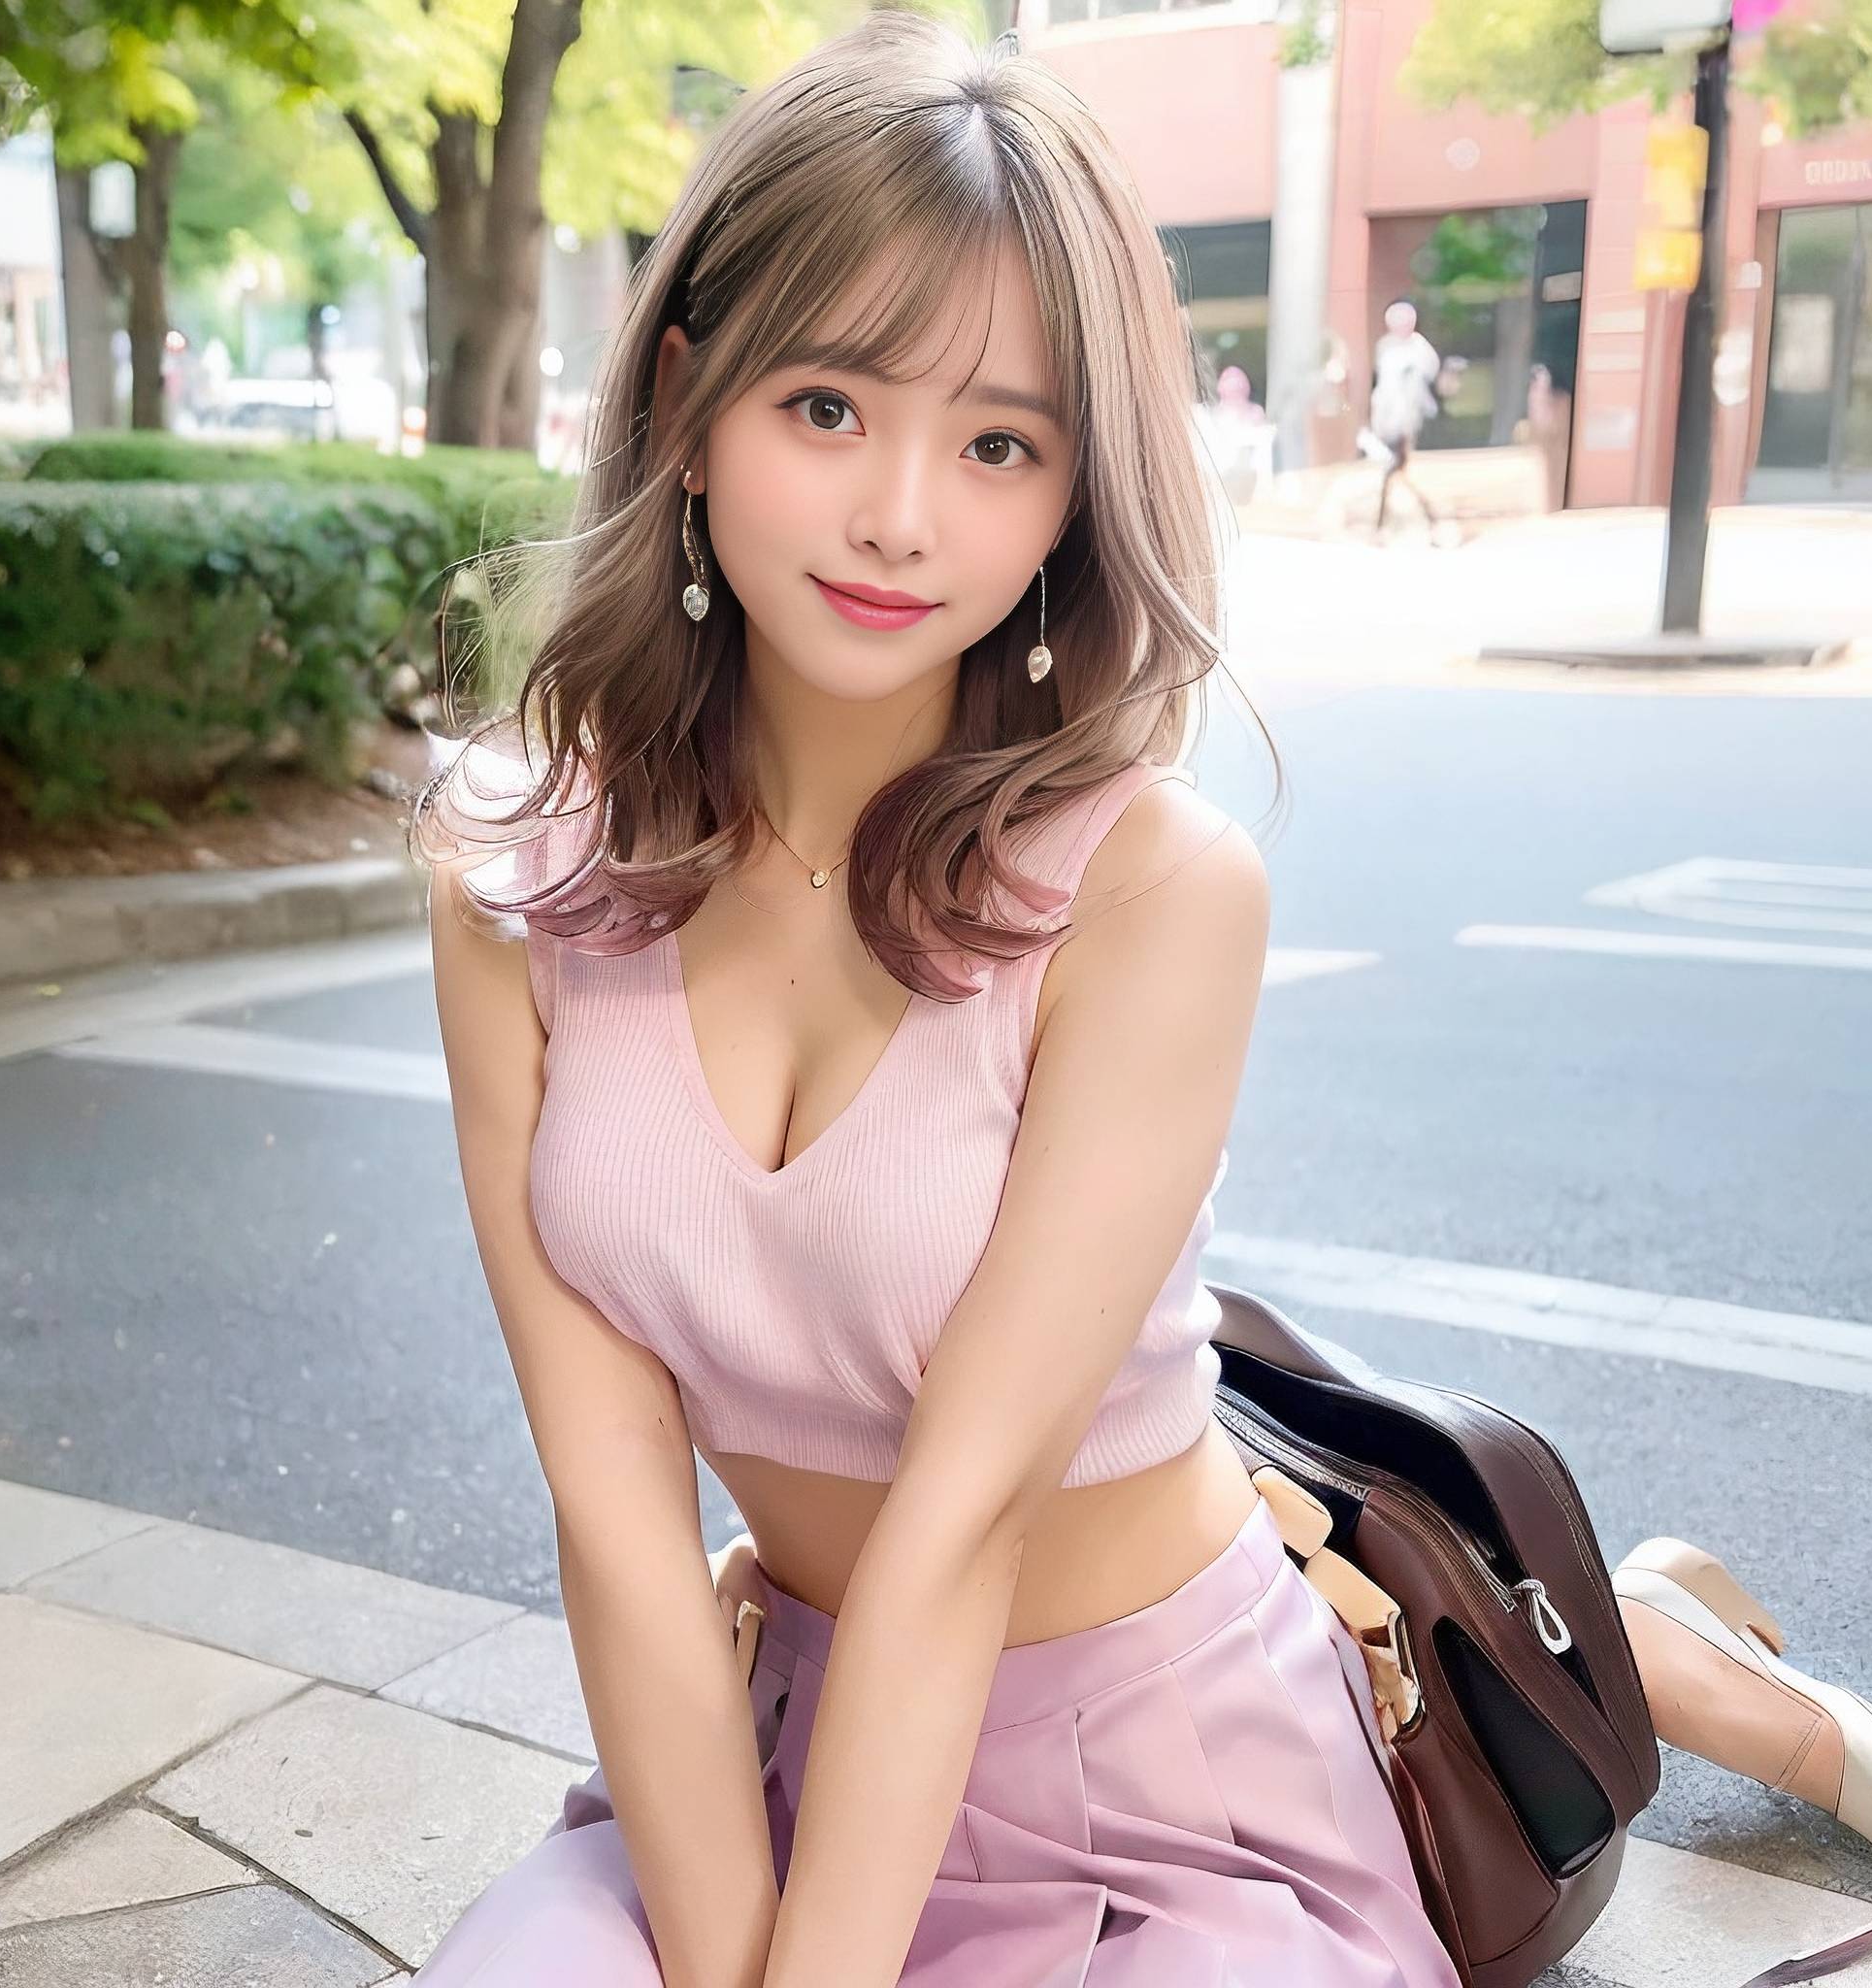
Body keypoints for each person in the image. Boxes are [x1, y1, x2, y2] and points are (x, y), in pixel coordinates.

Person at [404, 14, 1461, 1988]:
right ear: (692, 395)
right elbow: (614, 1502)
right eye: (826, 406)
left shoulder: (1150, 896)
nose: (901, 511)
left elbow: (963, 1524)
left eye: (997, 443)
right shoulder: (514, 881)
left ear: (1071, 497)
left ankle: (1683, 1658)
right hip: (769, 1755)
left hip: (1165, 1807)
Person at [1365, 297, 1442, 532]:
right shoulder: (1386, 347)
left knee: (1397, 468)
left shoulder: (1419, 348)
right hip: (1387, 417)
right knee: (1394, 469)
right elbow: (1382, 385)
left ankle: (1415, 516)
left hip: (1408, 418)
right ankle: (1404, 516)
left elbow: (1429, 377)